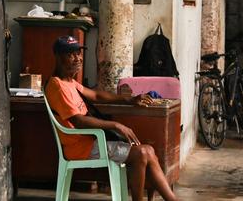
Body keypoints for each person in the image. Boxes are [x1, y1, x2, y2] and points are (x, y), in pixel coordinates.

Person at [45, 36, 178, 201]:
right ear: (58, 56)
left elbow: (96, 95)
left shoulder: (69, 82)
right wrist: (115, 125)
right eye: (70, 54)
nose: (78, 58)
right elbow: (78, 121)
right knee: (142, 152)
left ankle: (172, 199)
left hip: (91, 141)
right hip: (81, 147)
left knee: (148, 150)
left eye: (78, 53)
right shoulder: (57, 86)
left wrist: (129, 99)